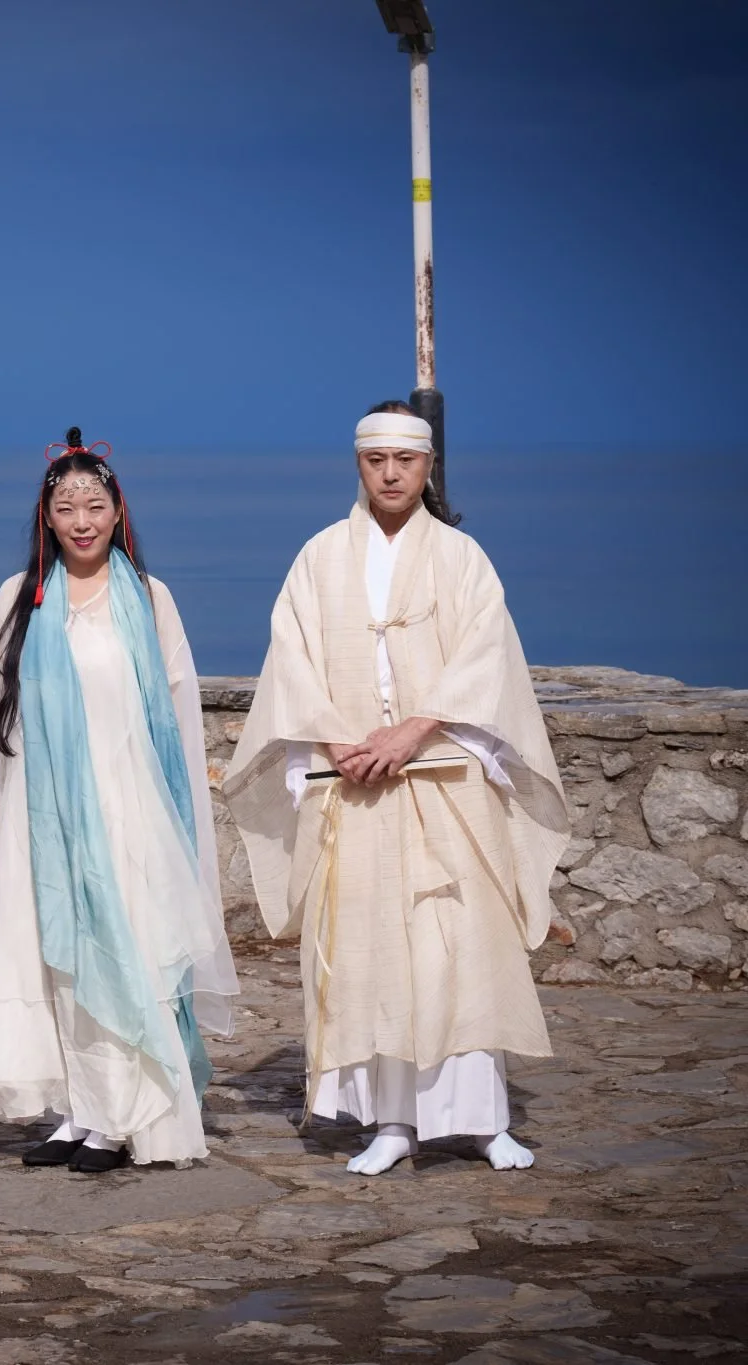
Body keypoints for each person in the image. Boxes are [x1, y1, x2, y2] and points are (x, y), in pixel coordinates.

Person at [224, 403, 569, 1174]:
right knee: (370, 947)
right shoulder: (319, 557)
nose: (390, 473)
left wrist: (413, 730)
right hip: (354, 786)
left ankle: (482, 1119)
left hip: (447, 778)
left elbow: (486, 658)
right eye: (375, 459)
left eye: (404, 460)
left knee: (461, 944)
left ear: (428, 466)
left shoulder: (462, 558)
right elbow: (292, 659)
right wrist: (337, 743)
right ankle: (392, 1121)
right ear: (358, 463)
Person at [0, 431, 237, 1172]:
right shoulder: (22, 597)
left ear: (117, 510)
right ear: (47, 516)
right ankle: (77, 1110)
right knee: (53, 961)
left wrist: (177, 812)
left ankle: (124, 1117)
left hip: (128, 806)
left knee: (124, 955)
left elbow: (177, 710)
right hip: (41, 808)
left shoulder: (150, 599)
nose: (81, 521)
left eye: (94, 505)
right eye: (66, 507)